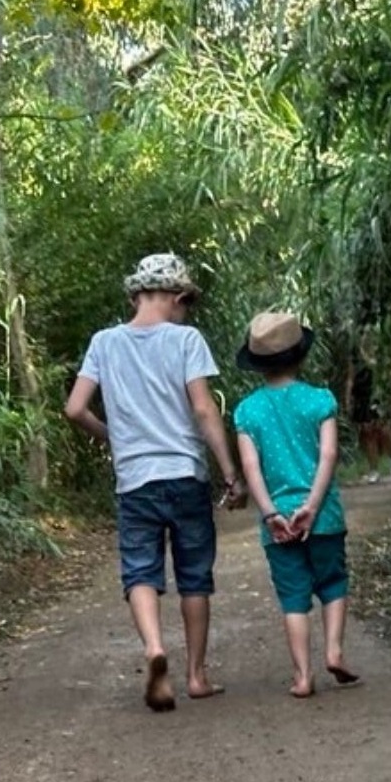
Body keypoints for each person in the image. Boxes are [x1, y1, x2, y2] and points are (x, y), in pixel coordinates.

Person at [64, 252, 247, 713]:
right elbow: (204, 410)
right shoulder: (185, 339)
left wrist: (115, 439)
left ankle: (152, 648)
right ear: (179, 297)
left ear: (136, 294)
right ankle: (197, 676)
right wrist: (229, 471)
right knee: (194, 577)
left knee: (141, 570)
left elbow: (74, 409)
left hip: (135, 481)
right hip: (184, 474)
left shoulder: (104, 342)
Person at [234, 312, 360, 698]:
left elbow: (251, 467)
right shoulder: (320, 400)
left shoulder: (247, 411)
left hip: (278, 524)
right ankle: (335, 652)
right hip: (323, 515)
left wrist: (272, 512)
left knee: (293, 597)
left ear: (257, 365)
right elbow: (329, 455)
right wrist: (313, 505)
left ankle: (303, 677)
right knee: (333, 582)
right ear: (301, 356)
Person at [346, 347, 391, 483]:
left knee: (383, 429)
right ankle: (374, 470)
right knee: (367, 432)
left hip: (376, 392)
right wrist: (348, 398)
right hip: (361, 396)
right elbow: (350, 377)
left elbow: (381, 367)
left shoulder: (376, 346)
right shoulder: (354, 351)